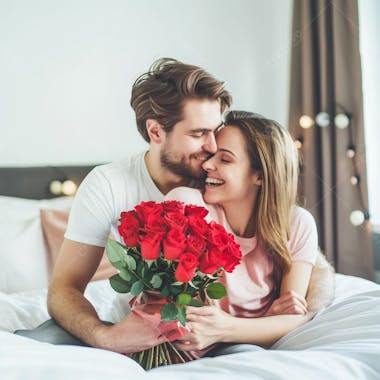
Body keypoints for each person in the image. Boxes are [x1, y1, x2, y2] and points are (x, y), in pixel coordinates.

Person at [38, 58, 332, 354]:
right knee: (44, 343)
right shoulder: (110, 184)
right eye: (198, 134)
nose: (212, 147)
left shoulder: (223, 184)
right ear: (155, 132)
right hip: (147, 330)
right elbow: (65, 288)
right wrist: (105, 336)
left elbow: (295, 248)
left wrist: (289, 315)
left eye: (214, 131)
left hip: (212, 334)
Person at [163, 110, 333, 354]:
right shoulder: (189, 206)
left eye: (225, 159)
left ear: (260, 176)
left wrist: (225, 328)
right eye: (211, 156)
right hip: (191, 352)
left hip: (244, 347)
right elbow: (194, 323)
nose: (207, 165)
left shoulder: (297, 223)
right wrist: (266, 321)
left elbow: (296, 319)